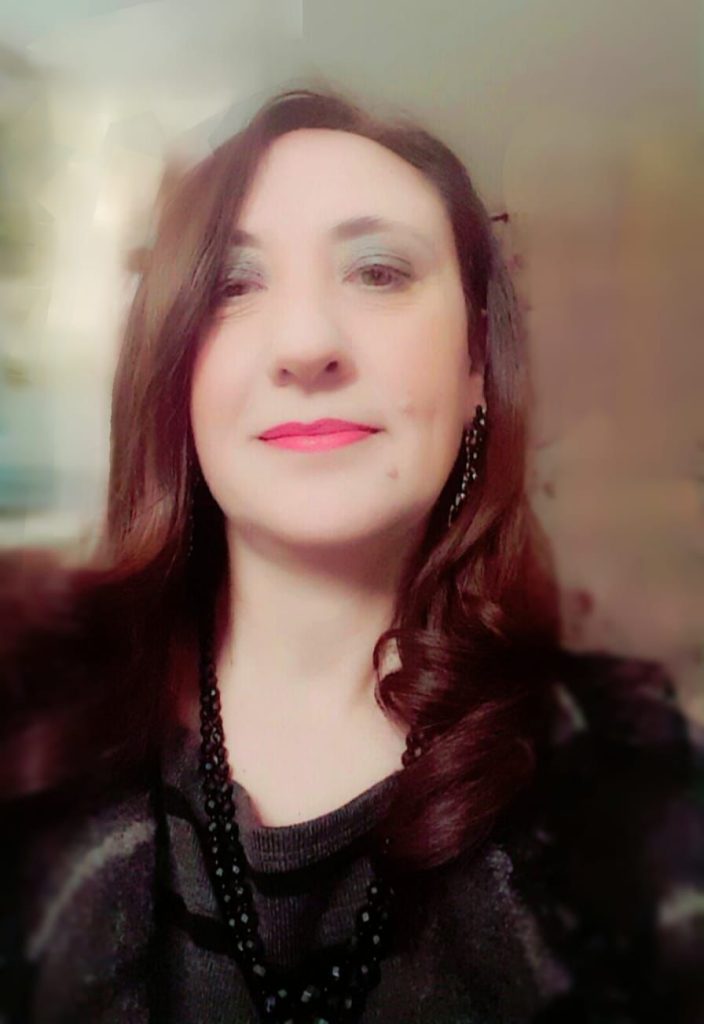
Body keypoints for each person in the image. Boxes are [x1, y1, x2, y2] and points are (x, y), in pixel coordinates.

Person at [1, 85, 702, 1024]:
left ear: (477, 366)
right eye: (233, 284)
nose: (305, 344)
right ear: (173, 372)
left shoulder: (634, 784)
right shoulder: (30, 724)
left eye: (378, 271)